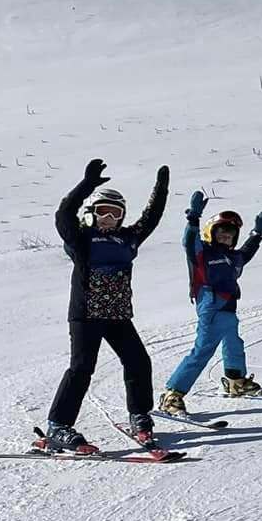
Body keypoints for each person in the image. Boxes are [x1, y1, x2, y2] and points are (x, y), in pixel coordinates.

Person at [43, 158, 170, 454]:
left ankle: (140, 415)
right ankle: (58, 425)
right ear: (92, 214)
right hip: (86, 315)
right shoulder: (81, 239)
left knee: (139, 362)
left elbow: (150, 218)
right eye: (103, 212)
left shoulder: (128, 239)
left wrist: (160, 190)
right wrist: (86, 185)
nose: (109, 218)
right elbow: (63, 215)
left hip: (117, 316)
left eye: (115, 213)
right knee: (82, 368)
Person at [159, 192, 262, 417]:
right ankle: (173, 394)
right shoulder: (202, 253)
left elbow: (247, 251)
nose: (226, 236)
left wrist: (257, 233)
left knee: (233, 343)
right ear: (212, 232)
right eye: (221, 232)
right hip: (211, 306)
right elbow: (189, 241)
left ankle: (235, 381)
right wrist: (194, 218)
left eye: (230, 234)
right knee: (203, 351)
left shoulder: (234, 257)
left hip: (229, 308)